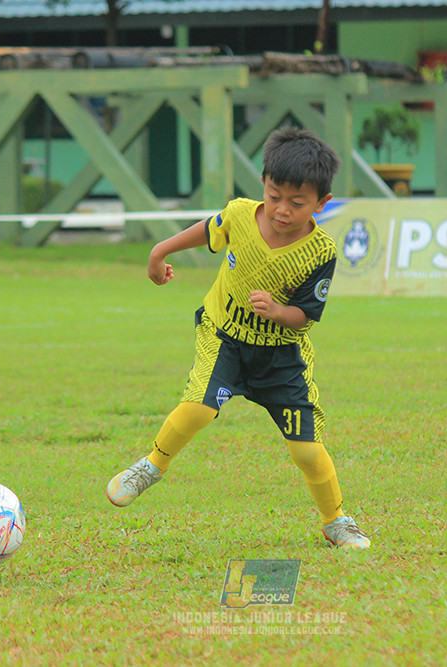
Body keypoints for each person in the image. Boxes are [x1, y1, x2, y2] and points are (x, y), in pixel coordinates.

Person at [105, 127, 370, 549]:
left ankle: (335, 519)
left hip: (282, 356)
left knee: (306, 451)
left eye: (297, 203)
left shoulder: (320, 253)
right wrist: (160, 251)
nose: (282, 209)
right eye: (274, 195)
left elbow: (305, 316)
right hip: (224, 335)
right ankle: (151, 466)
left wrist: (278, 311)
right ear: (263, 185)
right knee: (197, 409)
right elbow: (207, 229)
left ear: (322, 203)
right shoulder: (240, 215)